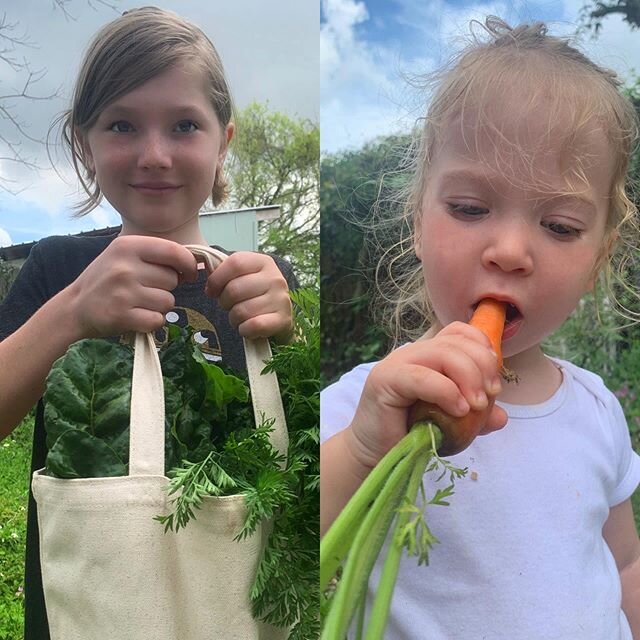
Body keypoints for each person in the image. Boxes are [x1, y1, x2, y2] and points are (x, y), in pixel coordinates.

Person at [321, 16, 640, 639]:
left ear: (599, 255)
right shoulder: (366, 405)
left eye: (562, 227)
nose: (512, 250)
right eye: (469, 209)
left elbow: (625, 559)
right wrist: (364, 448)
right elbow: (298, 551)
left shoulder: (598, 411)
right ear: (417, 220)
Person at [0, 7, 298, 639]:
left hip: (236, 606)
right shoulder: (60, 266)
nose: (154, 154)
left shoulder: (265, 281)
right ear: (86, 142)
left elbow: (305, 449)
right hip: (88, 610)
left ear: (225, 141)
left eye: (185, 125)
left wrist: (290, 338)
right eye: (122, 125)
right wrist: (72, 310)